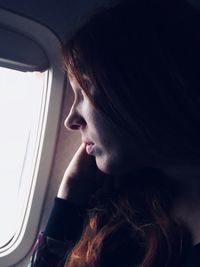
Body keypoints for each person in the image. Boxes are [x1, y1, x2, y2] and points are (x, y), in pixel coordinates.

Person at [28, 0, 200, 266]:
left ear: (145, 87)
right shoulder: (127, 206)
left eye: (84, 91)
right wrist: (71, 194)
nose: (71, 120)